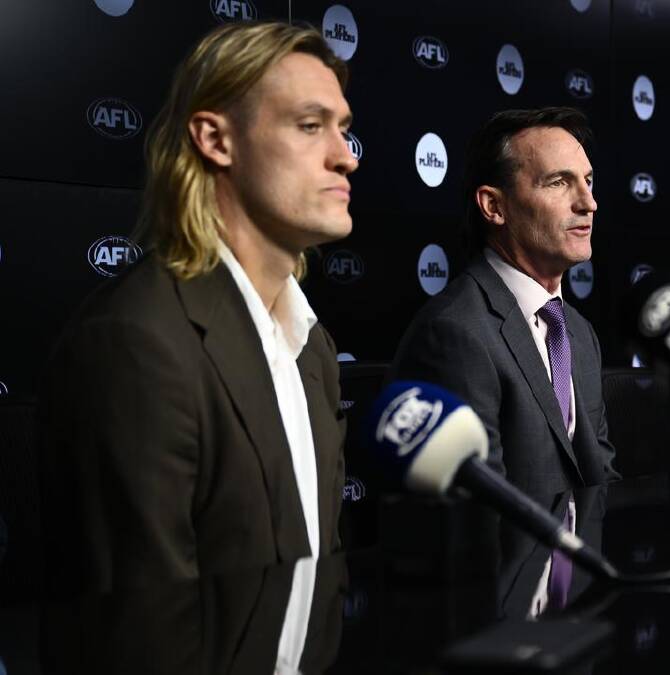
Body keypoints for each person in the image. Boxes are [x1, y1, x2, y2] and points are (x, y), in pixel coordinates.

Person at [38, 22, 357, 592]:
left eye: (343, 129)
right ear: (215, 140)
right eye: (310, 126)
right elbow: (137, 637)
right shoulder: (135, 342)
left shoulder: (313, 347)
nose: (345, 157)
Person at [390, 107, 617, 619]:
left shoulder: (577, 333)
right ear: (495, 206)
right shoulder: (455, 332)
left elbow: (600, 478)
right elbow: (476, 525)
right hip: (501, 629)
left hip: (574, 614)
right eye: (559, 183)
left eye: (588, 181)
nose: (588, 203)